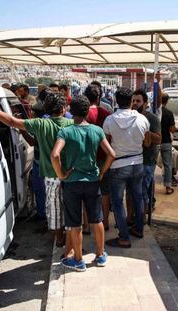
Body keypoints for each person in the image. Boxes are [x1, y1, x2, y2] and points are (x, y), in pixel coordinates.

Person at [0, 93, 73, 248]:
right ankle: (71, 239)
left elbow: (11, 121)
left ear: (47, 109)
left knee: (55, 208)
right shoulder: (71, 123)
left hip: (51, 176)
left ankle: (59, 238)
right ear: (64, 109)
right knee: (70, 207)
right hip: (70, 174)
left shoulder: (41, 124)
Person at [51, 95, 115, 272]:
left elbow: (55, 155)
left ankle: (78, 261)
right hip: (93, 181)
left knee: (75, 223)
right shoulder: (96, 130)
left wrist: (61, 175)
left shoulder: (66, 131)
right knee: (97, 219)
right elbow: (111, 154)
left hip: (72, 183)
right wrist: (101, 172)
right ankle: (100, 255)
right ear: (88, 111)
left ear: (71, 111)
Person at [103, 87, 150, 248]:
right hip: (137, 164)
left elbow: (106, 144)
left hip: (118, 165)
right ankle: (138, 229)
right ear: (131, 101)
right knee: (138, 198)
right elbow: (147, 142)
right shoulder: (142, 119)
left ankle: (123, 237)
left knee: (117, 202)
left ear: (116, 101)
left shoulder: (109, 120)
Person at [127, 89, 161, 223]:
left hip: (147, 161)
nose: (135, 103)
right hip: (132, 160)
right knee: (130, 193)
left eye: (138, 101)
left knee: (142, 193)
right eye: (133, 101)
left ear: (145, 103)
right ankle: (129, 218)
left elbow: (158, 139)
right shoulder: (129, 116)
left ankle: (141, 220)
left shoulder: (152, 118)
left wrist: (145, 130)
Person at [84, 84, 112, 230]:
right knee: (105, 192)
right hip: (104, 158)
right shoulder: (106, 114)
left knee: (86, 192)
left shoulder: (83, 114)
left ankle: (87, 225)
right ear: (99, 97)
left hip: (87, 159)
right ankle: (105, 222)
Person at [160, 93, 176, 194]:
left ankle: (149, 188)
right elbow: (172, 129)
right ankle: (168, 187)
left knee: (150, 165)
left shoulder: (151, 112)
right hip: (166, 141)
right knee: (167, 164)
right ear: (167, 101)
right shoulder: (169, 113)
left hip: (154, 142)